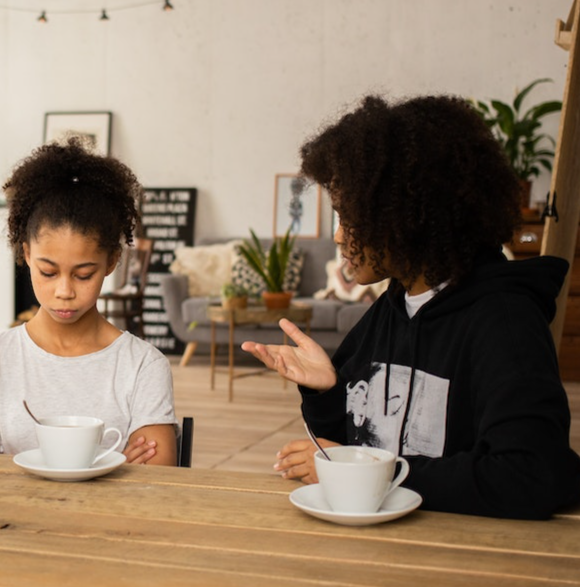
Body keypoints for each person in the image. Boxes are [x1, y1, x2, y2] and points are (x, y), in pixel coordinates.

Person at [242, 94, 580, 519]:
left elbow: (531, 474)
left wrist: (374, 474)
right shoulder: (392, 307)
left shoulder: (504, 322)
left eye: (349, 215)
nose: (339, 235)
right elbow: (352, 444)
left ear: (404, 215)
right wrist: (327, 392)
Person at [0, 138, 178, 465]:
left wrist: (19, 464)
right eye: (48, 271)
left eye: (84, 275)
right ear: (26, 254)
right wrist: (112, 465)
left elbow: (156, 485)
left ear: (112, 261)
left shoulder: (143, 366)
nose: (64, 291)